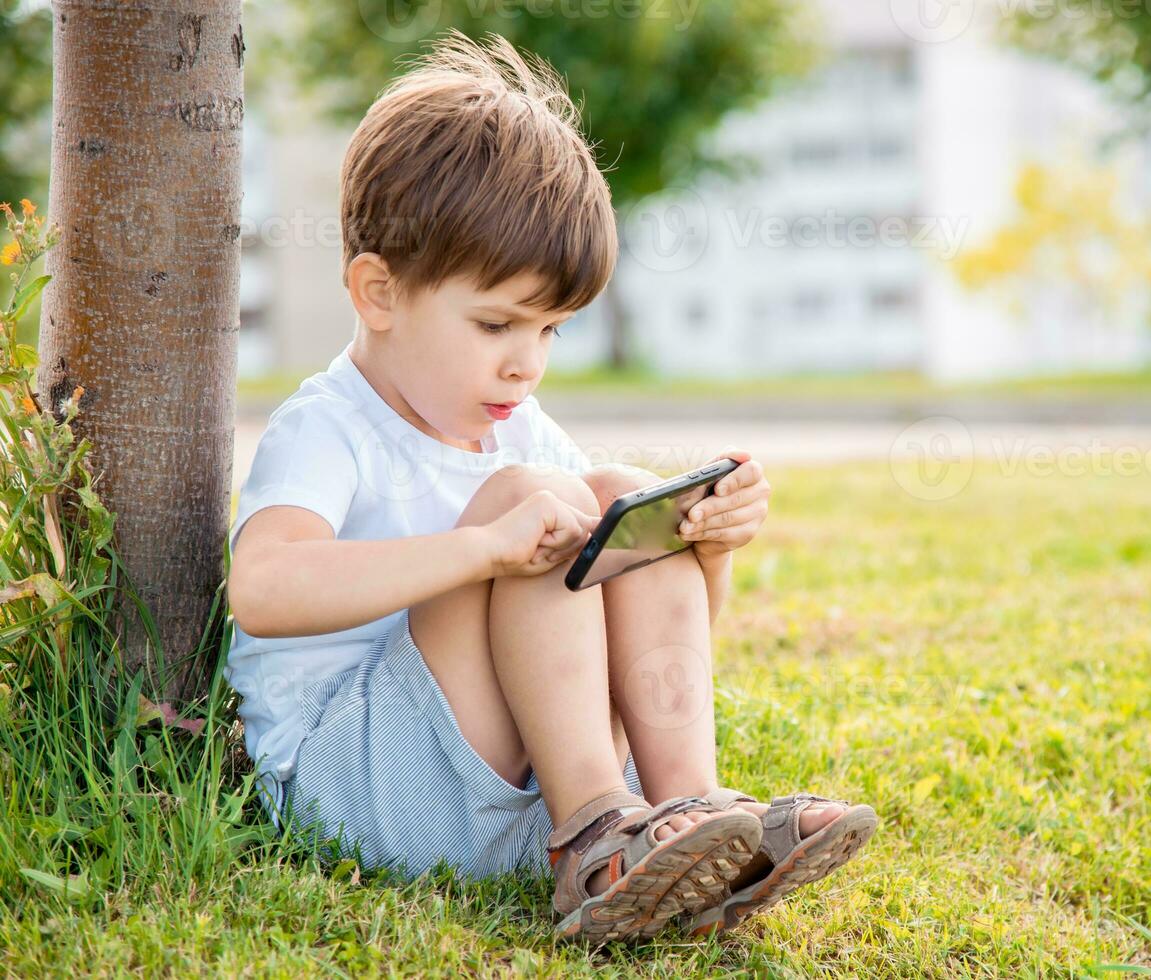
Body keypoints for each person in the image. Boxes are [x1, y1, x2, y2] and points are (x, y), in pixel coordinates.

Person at [224, 30, 876, 944]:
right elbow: (262, 590)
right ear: (378, 293)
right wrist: (481, 548)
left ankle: (690, 811)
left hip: (507, 786)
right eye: (497, 324)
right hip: (362, 785)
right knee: (545, 502)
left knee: (616, 492)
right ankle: (600, 842)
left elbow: (619, 641)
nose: (526, 364)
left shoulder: (514, 425)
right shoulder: (327, 426)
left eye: (551, 332)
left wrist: (703, 548)